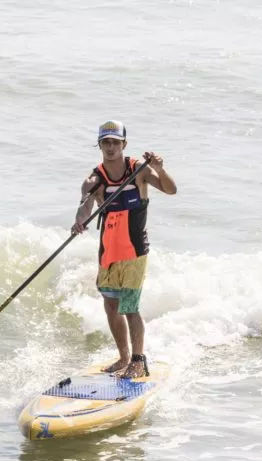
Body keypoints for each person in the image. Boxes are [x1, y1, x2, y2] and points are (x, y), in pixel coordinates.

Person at [70, 120, 177, 379]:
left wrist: (160, 170)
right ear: (99, 145)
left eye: (115, 142)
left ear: (123, 145)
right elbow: (84, 207)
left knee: (129, 306)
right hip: (108, 251)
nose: (110, 147)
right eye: (105, 142)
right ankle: (123, 357)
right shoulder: (93, 180)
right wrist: (79, 221)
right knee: (110, 305)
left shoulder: (139, 171)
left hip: (135, 250)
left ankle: (139, 361)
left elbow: (171, 190)